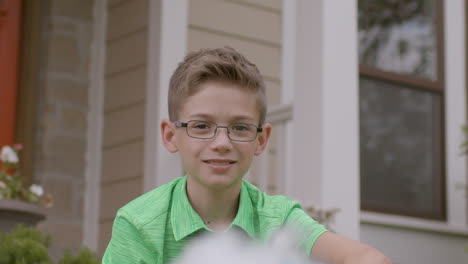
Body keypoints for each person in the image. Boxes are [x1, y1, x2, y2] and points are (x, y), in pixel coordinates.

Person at [102, 47, 391, 264]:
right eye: (202, 126)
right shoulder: (139, 224)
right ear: (170, 136)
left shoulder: (279, 218)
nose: (222, 143)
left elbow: (369, 259)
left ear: (261, 139)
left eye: (240, 127)